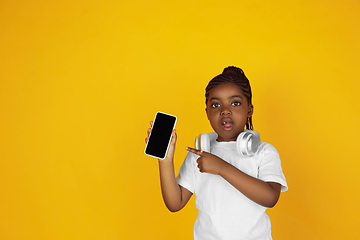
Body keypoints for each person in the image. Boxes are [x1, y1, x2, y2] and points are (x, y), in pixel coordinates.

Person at [145, 66, 288, 240]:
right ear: (207, 112)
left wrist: (221, 168)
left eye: (235, 103)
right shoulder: (199, 153)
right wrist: (165, 160)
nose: (225, 110)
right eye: (216, 104)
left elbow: (270, 197)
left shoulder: (263, 152)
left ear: (249, 109)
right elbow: (175, 203)